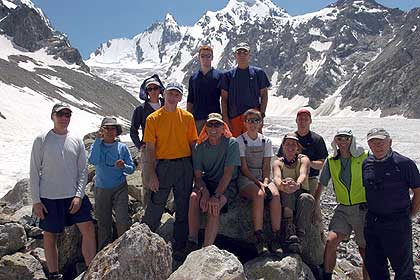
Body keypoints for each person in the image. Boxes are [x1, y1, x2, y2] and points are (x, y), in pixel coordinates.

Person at [30, 103, 96, 280]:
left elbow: (83, 170)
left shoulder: (76, 139)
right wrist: (36, 200)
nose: (64, 118)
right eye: (60, 114)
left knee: (88, 229)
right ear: (53, 116)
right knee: (50, 235)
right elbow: (34, 171)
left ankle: (91, 270)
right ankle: (53, 274)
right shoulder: (41, 139)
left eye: (68, 114)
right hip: (49, 197)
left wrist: (79, 195)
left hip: (73, 196)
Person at [141, 82, 198, 260]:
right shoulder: (153, 119)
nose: (173, 97)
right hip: (163, 166)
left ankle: (179, 247)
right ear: (164, 95)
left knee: (183, 206)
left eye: (177, 94)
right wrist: (151, 175)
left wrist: (197, 173)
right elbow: (150, 148)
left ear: (180, 97)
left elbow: (193, 145)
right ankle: (144, 240)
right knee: (156, 203)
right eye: (170, 93)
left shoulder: (188, 117)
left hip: (184, 166)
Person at [362, 128, 420, 280]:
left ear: (390, 142)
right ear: (369, 145)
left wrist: (411, 214)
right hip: (373, 222)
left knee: (403, 268)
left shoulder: (404, 163)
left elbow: (418, 191)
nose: (378, 145)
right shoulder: (366, 163)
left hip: (397, 223)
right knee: (375, 266)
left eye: (381, 141)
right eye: (373, 142)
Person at [314, 128, 369, 280]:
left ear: (351, 140)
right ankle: (327, 276)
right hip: (343, 208)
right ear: (335, 141)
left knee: (364, 250)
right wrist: (315, 205)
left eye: (346, 138)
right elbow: (322, 183)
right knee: (331, 240)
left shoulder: (363, 157)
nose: (343, 142)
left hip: (362, 208)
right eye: (340, 138)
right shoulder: (331, 160)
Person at [186, 113, 240, 252]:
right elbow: (198, 176)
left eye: (217, 124)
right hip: (207, 183)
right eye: (210, 124)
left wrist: (215, 196)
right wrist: (204, 192)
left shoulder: (231, 143)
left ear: (223, 128)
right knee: (193, 198)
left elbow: (228, 173)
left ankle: (206, 248)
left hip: (227, 185)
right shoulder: (200, 147)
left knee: (214, 206)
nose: (214, 128)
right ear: (206, 127)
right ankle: (192, 240)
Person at [236, 109, 282, 255]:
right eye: (250, 121)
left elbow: (267, 165)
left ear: (260, 123)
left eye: (256, 120)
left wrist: (266, 181)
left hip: (263, 177)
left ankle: (276, 236)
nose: (253, 124)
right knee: (259, 195)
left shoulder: (266, 141)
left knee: (274, 195)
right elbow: (243, 168)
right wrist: (259, 183)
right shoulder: (240, 141)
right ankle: (259, 237)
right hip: (247, 178)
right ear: (245, 123)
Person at [89, 116, 136, 250]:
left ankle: (124, 249)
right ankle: (104, 251)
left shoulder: (122, 148)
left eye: (113, 128)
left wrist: (124, 167)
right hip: (101, 188)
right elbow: (93, 161)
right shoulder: (96, 145)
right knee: (104, 223)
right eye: (107, 128)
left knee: (122, 220)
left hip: (120, 187)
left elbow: (131, 168)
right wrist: (98, 140)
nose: (110, 131)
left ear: (117, 131)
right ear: (102, 130)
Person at [272, 133, 314, 253]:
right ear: (283, 146)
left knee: (306, 197)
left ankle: (300, 235)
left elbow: (303, 174)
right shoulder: (278, 162)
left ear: (297, 147)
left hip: (300, 191)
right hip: (286, 193)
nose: (290, 147)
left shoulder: (303, 159)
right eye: (287, 144)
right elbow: (276, 177)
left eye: (293, 144)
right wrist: (282, 185)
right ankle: (289, 228)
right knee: (287, 186)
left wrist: (297, 184)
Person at [220, 42, 270, 137]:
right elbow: (224, 99)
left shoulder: (259, 73)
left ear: (249, 55)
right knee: (235, 147)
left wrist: (262, 115)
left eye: (245, 52)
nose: (242, 55)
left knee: (255, 146)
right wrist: (226, 119)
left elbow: (264, 95)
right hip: (234, 118)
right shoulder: (227, 76)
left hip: (254, 118)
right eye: (239, 52)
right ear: (235, 55)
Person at [130, 75, 165, 205]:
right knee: (147, 180)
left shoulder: (167, 105)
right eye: (150, 89)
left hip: (166, 148)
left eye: (155, 88)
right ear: (146, 92)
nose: (153, 91)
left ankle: (163, 207)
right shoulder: (140, 109)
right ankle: (147, 209)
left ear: (160, 89)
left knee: (164, 178)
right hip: (148, 148)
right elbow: (133, 130)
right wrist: (140, 146)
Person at [277, 109, 328, 195]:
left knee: (311, 203)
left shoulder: (317, 139)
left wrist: (307, 162)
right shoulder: (289, 138)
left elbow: (322, 164)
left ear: (310, 121)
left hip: (310, 178)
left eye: (306, 119)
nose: (302, 122)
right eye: (300, 119)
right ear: (296, 121)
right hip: (289, 177)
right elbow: (280, 159)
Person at [187, 45, 223, 134]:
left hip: (215, 119)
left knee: (215, 145)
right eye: (203, 56)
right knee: (198, 145)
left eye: (208, 56)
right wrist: (188, 120)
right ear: (199, 58)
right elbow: (190, 100)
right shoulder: (193, 78)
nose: (205, 58)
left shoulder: (219, 76)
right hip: (197, 119)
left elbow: (225, 99)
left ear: (212, 58)